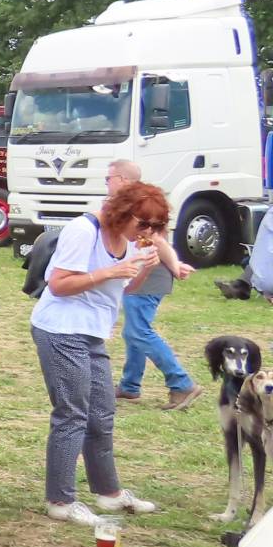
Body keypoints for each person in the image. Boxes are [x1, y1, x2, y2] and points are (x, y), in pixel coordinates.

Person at [31, 179, 171, 526]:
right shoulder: (83, 230)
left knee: (102, 414)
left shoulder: (126, 239)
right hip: (61, 329)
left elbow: (124, 288)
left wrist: (143, 269)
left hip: (92, 333)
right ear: (123, 213)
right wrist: (108, 270)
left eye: (156, 226)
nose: (149, 232)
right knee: (72, 413)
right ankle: (60, 501)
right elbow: (59, 284)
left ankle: (108, 494)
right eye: (144, 223)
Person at [102, 160, 198, 408]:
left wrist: (175, 267)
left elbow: (159, 242)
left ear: (122, 179)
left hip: (147, 276)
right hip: (141, 273)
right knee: (134, 330)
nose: (107, 182)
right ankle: (130, 385)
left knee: (138, 331)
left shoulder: (140, 204)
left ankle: (182, 383)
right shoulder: (137, 202)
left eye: (108, 178)